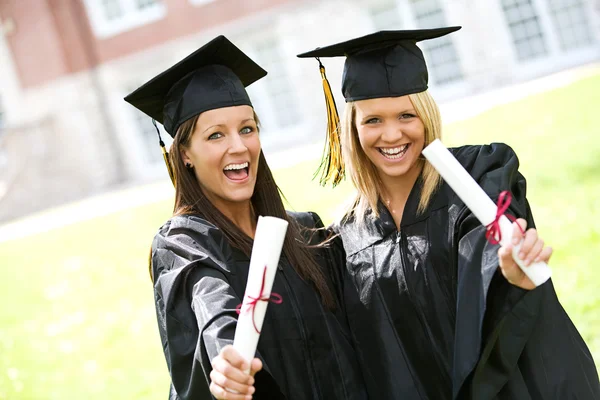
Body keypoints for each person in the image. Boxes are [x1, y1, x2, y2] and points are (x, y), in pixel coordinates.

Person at [297, 26, 600, 399]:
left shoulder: (477, 179)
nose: (391, 135)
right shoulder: (348, 237)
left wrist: (505, 270)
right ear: (352, 129)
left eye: (406, 115)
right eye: (373, 120)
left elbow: (487, 248)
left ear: (426, 116)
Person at [124, 35, 368, 400]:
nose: (238, 146)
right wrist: (226, 360)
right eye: (216, 135)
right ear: (185, 155)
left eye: (247, 129)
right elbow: (210, 305)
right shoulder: (183, 246)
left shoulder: (305, 231)